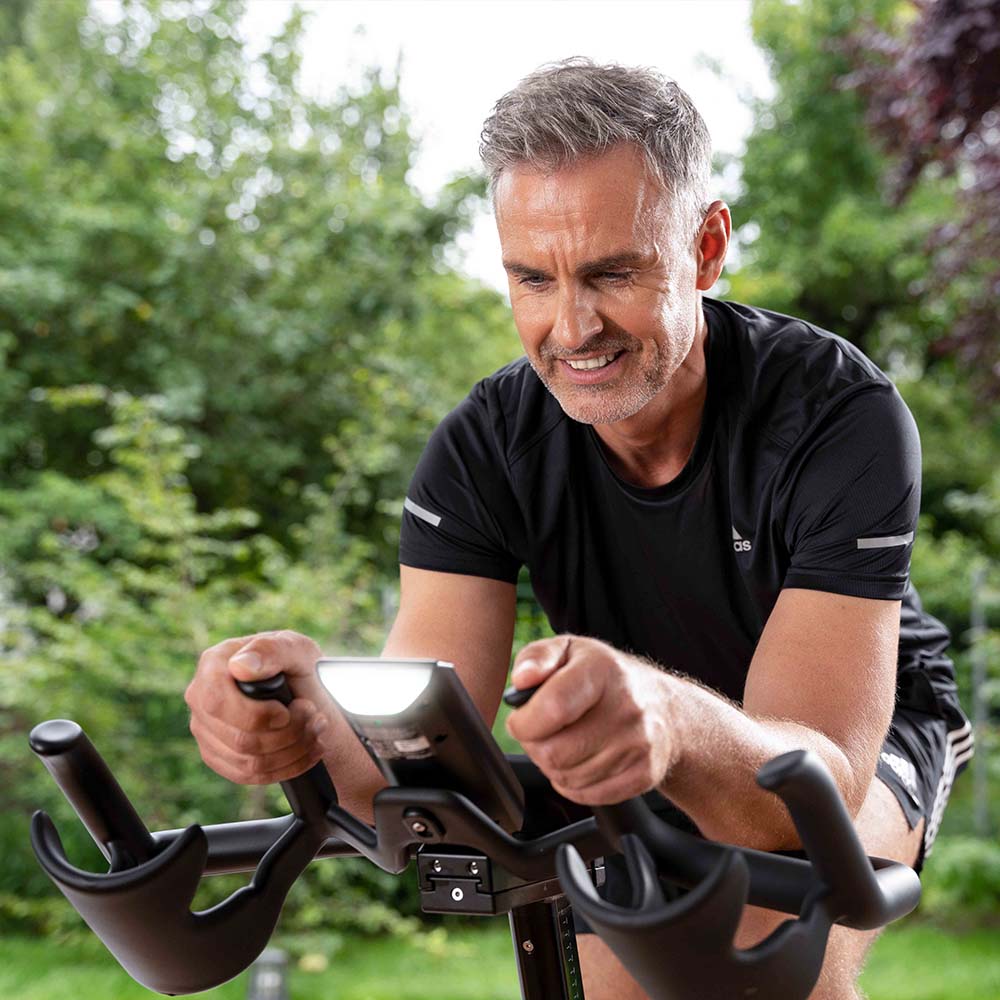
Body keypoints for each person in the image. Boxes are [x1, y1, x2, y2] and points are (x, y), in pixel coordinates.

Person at [184, 60, 972, 1000]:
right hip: (635, 725)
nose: (572, 327)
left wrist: (672, 714)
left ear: (706, 248)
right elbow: (412, 778)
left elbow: (805, 797)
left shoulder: (840, 415)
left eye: (611, 273)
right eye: (532, 278)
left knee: (760, 936)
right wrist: (303, 723)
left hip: (852, 733)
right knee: (624, 978)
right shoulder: (485, 447)